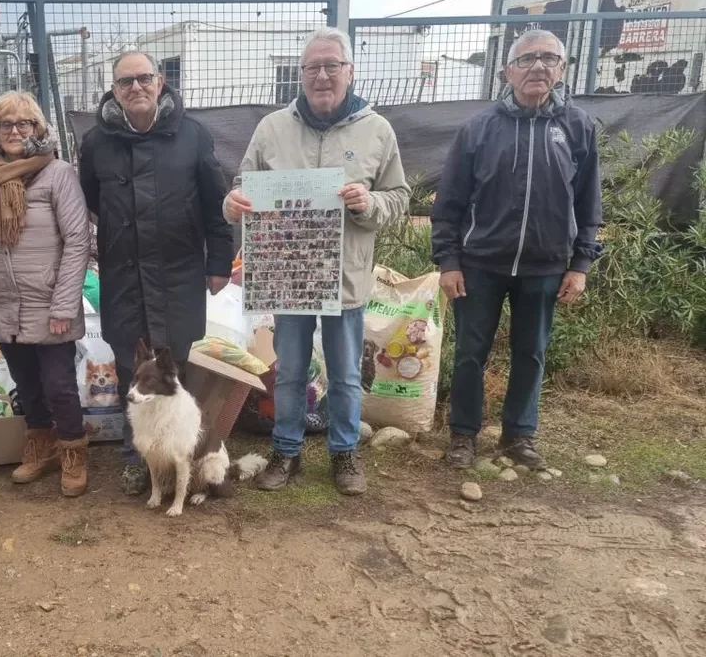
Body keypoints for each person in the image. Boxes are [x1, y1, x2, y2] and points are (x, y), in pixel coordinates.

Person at [224, 28, 409, 496]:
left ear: (350, 71)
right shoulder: (271, 129)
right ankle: (285, 453)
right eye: (312, 67)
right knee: (289, 369)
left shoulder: (377, 130)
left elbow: (400, 197)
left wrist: (369, 203)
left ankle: (344, 453)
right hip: (289, 276)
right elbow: (243, 186)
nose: (322, 75)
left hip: (345, 279)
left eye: (332, 65)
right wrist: (234, 203)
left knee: (345, 374)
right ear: (300, 75)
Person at [432, 29, 602, 470]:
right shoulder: (478, 129)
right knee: (470, 352)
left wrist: (580, 264)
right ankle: (463, 435)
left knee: (531, 351)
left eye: (550, 58)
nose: (539, 67)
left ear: (562, 69)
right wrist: (448, 261)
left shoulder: (578, 127)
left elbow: (588, 202)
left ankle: (518, 436)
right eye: (528, 59)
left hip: (546, 266)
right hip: (480, 264)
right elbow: (448, 202)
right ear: (508, 71)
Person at [78, 50, 234, 496]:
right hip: (124, 276)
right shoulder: (96, 142)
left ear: (160, 82)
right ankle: (136, 458)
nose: (135, 88)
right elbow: (93, 198)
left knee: (172, 366)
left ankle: (177, 454)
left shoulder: (192, 136)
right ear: (114, 90)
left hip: (179, 273)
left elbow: (213, 201)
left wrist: (219, 262)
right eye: (125, 82)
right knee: (131, 366)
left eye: (143, 78)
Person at [0, 91, 93, 496]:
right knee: (26, 382)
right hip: (5, 300)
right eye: (4, 125)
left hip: (50, 301)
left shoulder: (58, 173)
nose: (14, 131)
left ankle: (73, 449)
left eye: (22, 124)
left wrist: (64, 303)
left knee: (58, 384)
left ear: (37, 129)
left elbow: (78, 239)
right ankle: (41, 444)